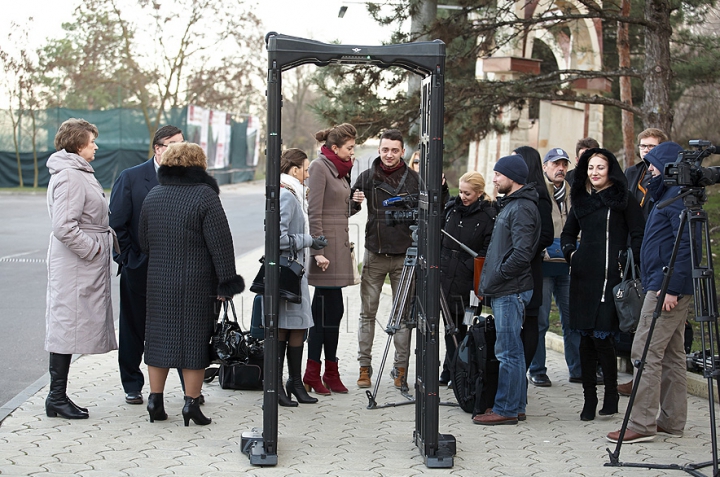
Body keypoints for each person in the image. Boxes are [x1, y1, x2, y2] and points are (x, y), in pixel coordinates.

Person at [139, 142, 244, 426]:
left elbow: (144, 242)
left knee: (159, 340)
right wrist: (226, 282)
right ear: (198, 164)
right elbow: (221, 244)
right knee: (194, 343)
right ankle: (191, 405)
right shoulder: (205, 196)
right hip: (196, 282)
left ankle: (155, 400)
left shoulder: (153, 195)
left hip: (159, 280)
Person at [607, 142, 693, 444]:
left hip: (665, 289)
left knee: (644, 353)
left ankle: (641, 423)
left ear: (668, 167)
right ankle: (672, 420)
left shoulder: (677, 200)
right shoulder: (667, 196)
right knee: (671, 354)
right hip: (664, 284)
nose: (648, 172)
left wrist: (671, 289)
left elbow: (684, 248)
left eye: (653, 167)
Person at [560, 148, 645, 421]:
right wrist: (572, 254)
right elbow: (567, 232)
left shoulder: (623, 198)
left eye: (600, 167)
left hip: (612, 279)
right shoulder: (582, 199)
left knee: (602, 338)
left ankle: (610, 394)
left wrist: (627, 260)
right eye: (591, 167)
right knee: (585, 339)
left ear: (610, 170)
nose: (595, 172)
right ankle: (588, 399)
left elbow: (637, 233)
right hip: (583, 278)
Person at [45, 118, 118, 419]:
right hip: (76, 264)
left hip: (82, 264)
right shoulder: (70, 177)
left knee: (70, 324)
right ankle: (56, 397)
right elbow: (63, 225)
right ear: (77, 145)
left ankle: (57, 396)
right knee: (66, 325)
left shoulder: (78, 172)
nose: (96, 146)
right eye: (91, 142)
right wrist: (94, 248)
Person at [109, 125, 184, 405]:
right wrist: (129, 261)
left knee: (177, 328)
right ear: (158, 148)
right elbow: (116, 225)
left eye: (182, 143)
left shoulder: (189, 180)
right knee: (134, 328)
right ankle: (132, 384)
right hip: (139, 269)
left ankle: (188, 386)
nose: (179, 148)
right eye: (173, 143)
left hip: (177, 270)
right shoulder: (131, 178)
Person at [473, 154, 541, 426]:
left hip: (510, 290)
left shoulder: (522, 208)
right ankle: (517, 405)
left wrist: (498, 276)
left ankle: (506, 409)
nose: (494, 178)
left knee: (508, 352)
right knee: (513, 351)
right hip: (506, 288)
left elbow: (522, 253)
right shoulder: (513, 205)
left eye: (498, 174)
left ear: (511, 177)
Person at [351, 129, 420, 389]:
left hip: (405, 258)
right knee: (367, 314)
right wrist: (353, 201)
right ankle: (364, 367)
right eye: (384, 150)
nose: (389, 155)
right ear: (379, 150)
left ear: (403, 152)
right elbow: (347, 208)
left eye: (394, 150)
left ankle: (400, 369)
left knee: (402, 316)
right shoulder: (368, 177)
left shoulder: (414, 179)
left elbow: (431, 210)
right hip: (375, 254)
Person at [302, 123, 360, 395]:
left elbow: (338, 210)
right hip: (325, 251)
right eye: (349, 147)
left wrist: (355, 204)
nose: (353, 152)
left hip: (338, 248)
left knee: (332, 313)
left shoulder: (340, 169)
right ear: (335, 148)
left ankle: (328, 370)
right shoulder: (319, 166)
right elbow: (314, 212)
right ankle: (314, 372)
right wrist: (318, 251)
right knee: (325, 314)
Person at [616, 128, 668, 397]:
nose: (646, 150)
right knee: (634, 309)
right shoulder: (632, 173)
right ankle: (635, 377)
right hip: (634, 246)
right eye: (643, 146)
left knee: (655, 328)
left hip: (658, 248)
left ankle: (645, 385)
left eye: (652, 146)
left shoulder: (668, 178)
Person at [276, 148, 327, 407]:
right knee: (286, 328)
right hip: (287, 274)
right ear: (294, 169)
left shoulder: (293, 193)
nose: (308, 174)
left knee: (298, 326)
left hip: (295, 273)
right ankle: (277, 386)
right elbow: (278, 239)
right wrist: (311, 241)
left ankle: (294, 383)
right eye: (305, 169)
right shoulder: (286, 195)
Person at [438, 171, 497, 384]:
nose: (463, 196)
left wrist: (468, 266)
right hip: (446, 275)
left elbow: (487, 249)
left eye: (468, 193)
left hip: (468, 279)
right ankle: (450, 369)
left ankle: (461, 371)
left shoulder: (488, 215)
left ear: (480, 193)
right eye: (461, 191)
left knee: (464, 327)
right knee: (449, 326)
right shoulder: (452, 209)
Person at [530, 147, 581, 384]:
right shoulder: (539, 193)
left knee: (572, 320)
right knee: (541, 320)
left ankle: (577, 369)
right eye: (555, 164)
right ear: (545, 167)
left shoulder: (575, 194)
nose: (560, 168)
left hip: (569, 266)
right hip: (545, 267)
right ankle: (538, 369)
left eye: (564, 164)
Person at [513, 146, 554, 387]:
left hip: (529, 269)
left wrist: (523, 250)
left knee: (530, 321)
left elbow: (546, 235)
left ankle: (523, 374)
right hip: (517, 269)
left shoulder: (538, 195)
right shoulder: (520, 193)